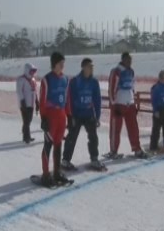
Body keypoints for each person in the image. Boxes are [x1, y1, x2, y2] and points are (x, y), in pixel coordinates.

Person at [62, 58, 105, 171]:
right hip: (77, 114)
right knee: (71, 137)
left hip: (89, 114)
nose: (91, 69)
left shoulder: (94, 82)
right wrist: (70, 117)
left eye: (92, 67)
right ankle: (65, 160)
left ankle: (94, 159)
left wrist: (97, 116)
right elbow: (69, 100)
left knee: (93, 137)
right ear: (84, 67)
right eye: (89, 66)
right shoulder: (75, 81)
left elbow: (97, 100)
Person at [106, 52, 148, 159]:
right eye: (128, 60)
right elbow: (111, 89)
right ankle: (113, 151)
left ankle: (137, 149)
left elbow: (132, 87)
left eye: (131, 60)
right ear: (123, 60)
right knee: (116, 129)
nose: (130, 62)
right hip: (119, 105)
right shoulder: (116, 71)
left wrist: (133, 101)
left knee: (134, 128)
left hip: (130, 104)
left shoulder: (131, 71)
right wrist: (113, 104)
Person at [39, 52, 71, 187]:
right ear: (54, 64)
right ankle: (46, 174)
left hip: (61, 115)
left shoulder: (66, 79)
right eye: (60, 63)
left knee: (58, 145)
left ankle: (57, 172)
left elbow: (67, 99)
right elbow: (42, 100)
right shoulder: (46, 79)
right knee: (48, 145)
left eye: (63, 63)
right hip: (51, 115)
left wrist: (69, 115)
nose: (62, 66)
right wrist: (44, 118)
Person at [16, 63, 39, 143]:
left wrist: (37, 102)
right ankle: (26, 137)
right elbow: (19, 91)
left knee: (29, 120)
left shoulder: (33, 80)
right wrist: (22, 102)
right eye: (31, 71)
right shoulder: (21, 79)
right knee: (26, 120)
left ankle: (25, 133)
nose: (32, 73)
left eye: (33, 71)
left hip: (31, 103)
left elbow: (35, 91)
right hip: (24, 104)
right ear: (27, 70)